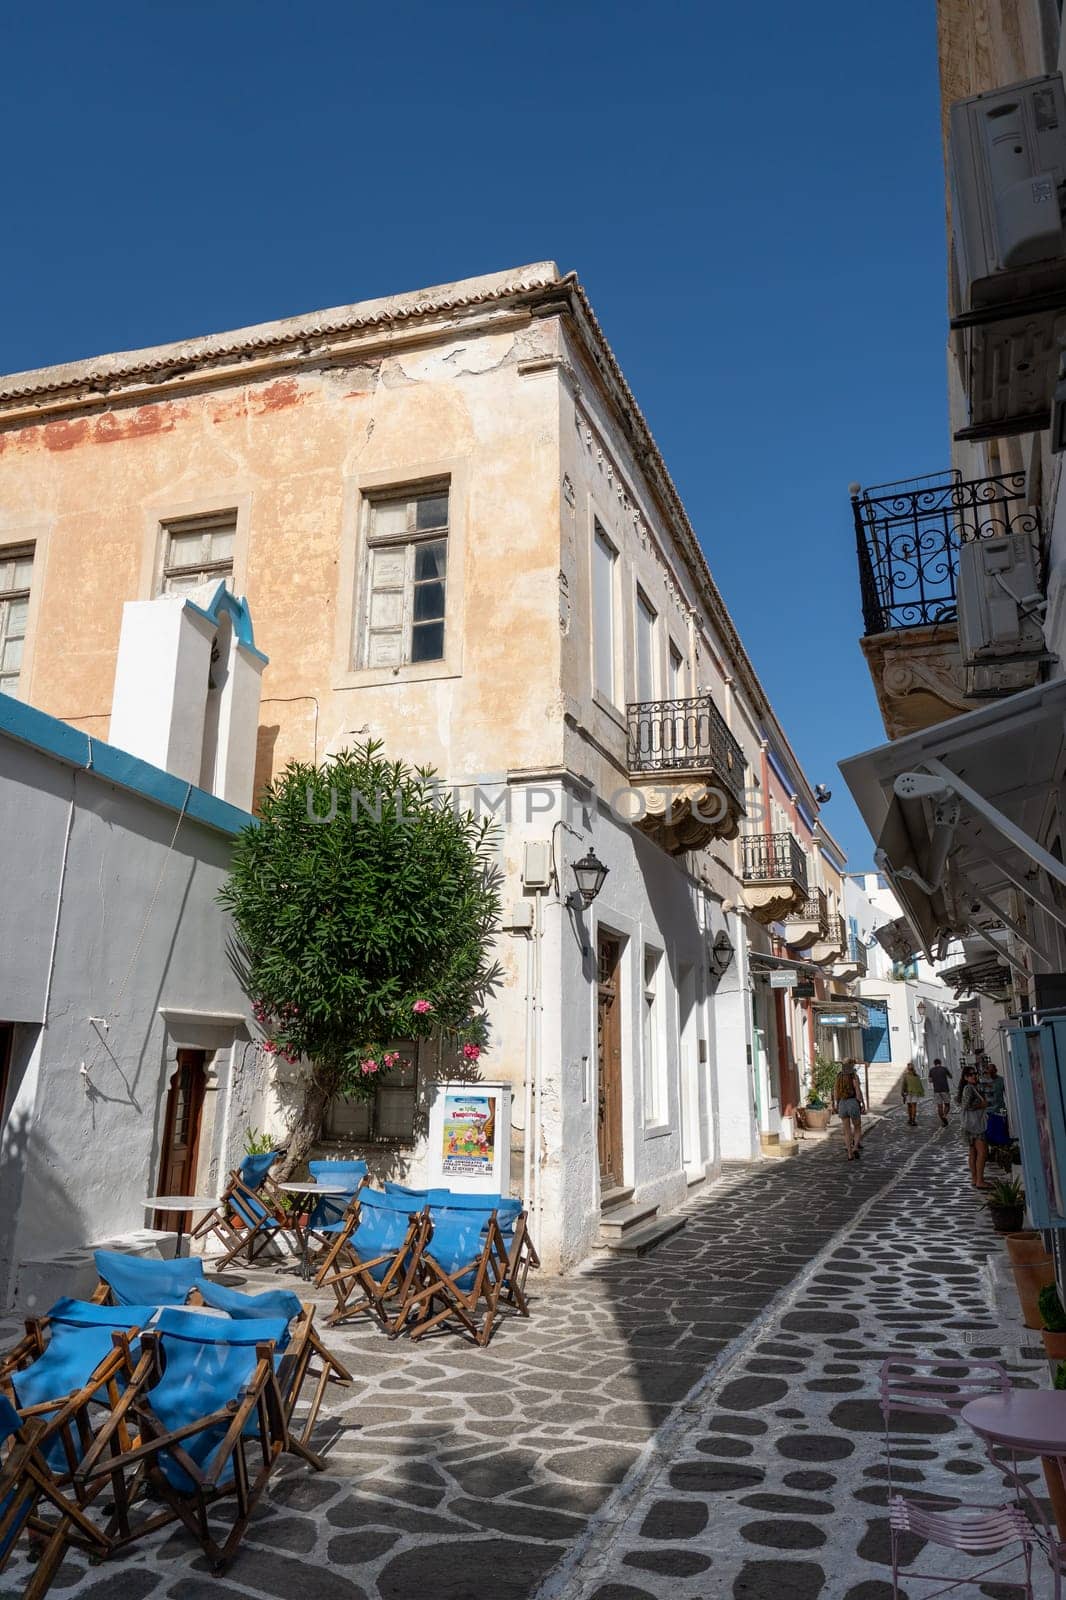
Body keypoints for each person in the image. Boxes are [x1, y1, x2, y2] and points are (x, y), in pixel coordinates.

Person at [958, 1064, 989, 1189]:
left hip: (970, 1125)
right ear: (965, 1077)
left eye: (975, 1073)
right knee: (982, 1152)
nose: (974, 1076)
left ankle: (975, 1179)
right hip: (974, 1125)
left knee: (973, 1152)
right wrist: (981, 1105)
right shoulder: (969, 1088)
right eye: (970, 1075)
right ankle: (979, 1180)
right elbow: (965, 1106)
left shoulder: (971, 1088)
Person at [833, 1060, 866, 1160]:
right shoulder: (853, 1076)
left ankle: (849, 1154)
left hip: (842, 1103)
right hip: (852, 1102)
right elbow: (857, 1090)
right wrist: (862, 1103)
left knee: (846, 1130)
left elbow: (835, 1091)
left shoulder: (839, 1076)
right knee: (857, 1127)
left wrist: (835, 1104)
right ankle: (855, 1147)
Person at [928, 1056, 953, 1128]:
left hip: (936, 1090)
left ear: (934, 1064)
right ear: (940, 1063)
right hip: (945, 1089)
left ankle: (943, 1120)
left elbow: (930, 1080)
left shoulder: (931, 1070)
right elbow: (950, 1076)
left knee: (939, 1106)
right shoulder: (944, 1069)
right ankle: (945, 1115)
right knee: (947, 1104)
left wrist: (935, 1079)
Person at [901, 1061, 924, 1126]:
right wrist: (920, 1092)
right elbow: (919, 1085)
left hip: (908, 1093)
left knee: (909, 1106)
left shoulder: (906, 1076)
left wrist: (902, 1092)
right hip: (915, 1093)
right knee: (914, 1106)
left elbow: (904, 1085)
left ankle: (910, 1119)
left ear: (908, 1068)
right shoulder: (917, 1076)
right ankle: (913, 1120)